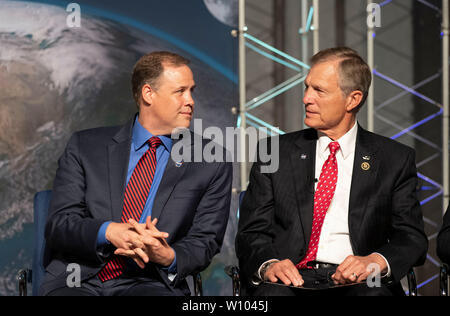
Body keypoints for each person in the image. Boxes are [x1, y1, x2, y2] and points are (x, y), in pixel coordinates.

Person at [235, 47, 428, 296]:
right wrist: (269, 264)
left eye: (319, 90)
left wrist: (375, 261)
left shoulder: (394, 159)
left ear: (353, 99)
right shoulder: (275, 152)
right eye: (307, 87)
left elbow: (411, 237)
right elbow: (251, 232)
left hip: (359, 282)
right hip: (291, 280)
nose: (306, 98)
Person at [39, 51, 232, 296]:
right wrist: (109, 232)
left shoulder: (211, 160)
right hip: (78, 278)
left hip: (150, 281)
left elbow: (206, 240)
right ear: (148, 94)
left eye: (191, 91)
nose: (190, 100)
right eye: (180, 91)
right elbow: (60, 224)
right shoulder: (85, 147)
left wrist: (167, 255)